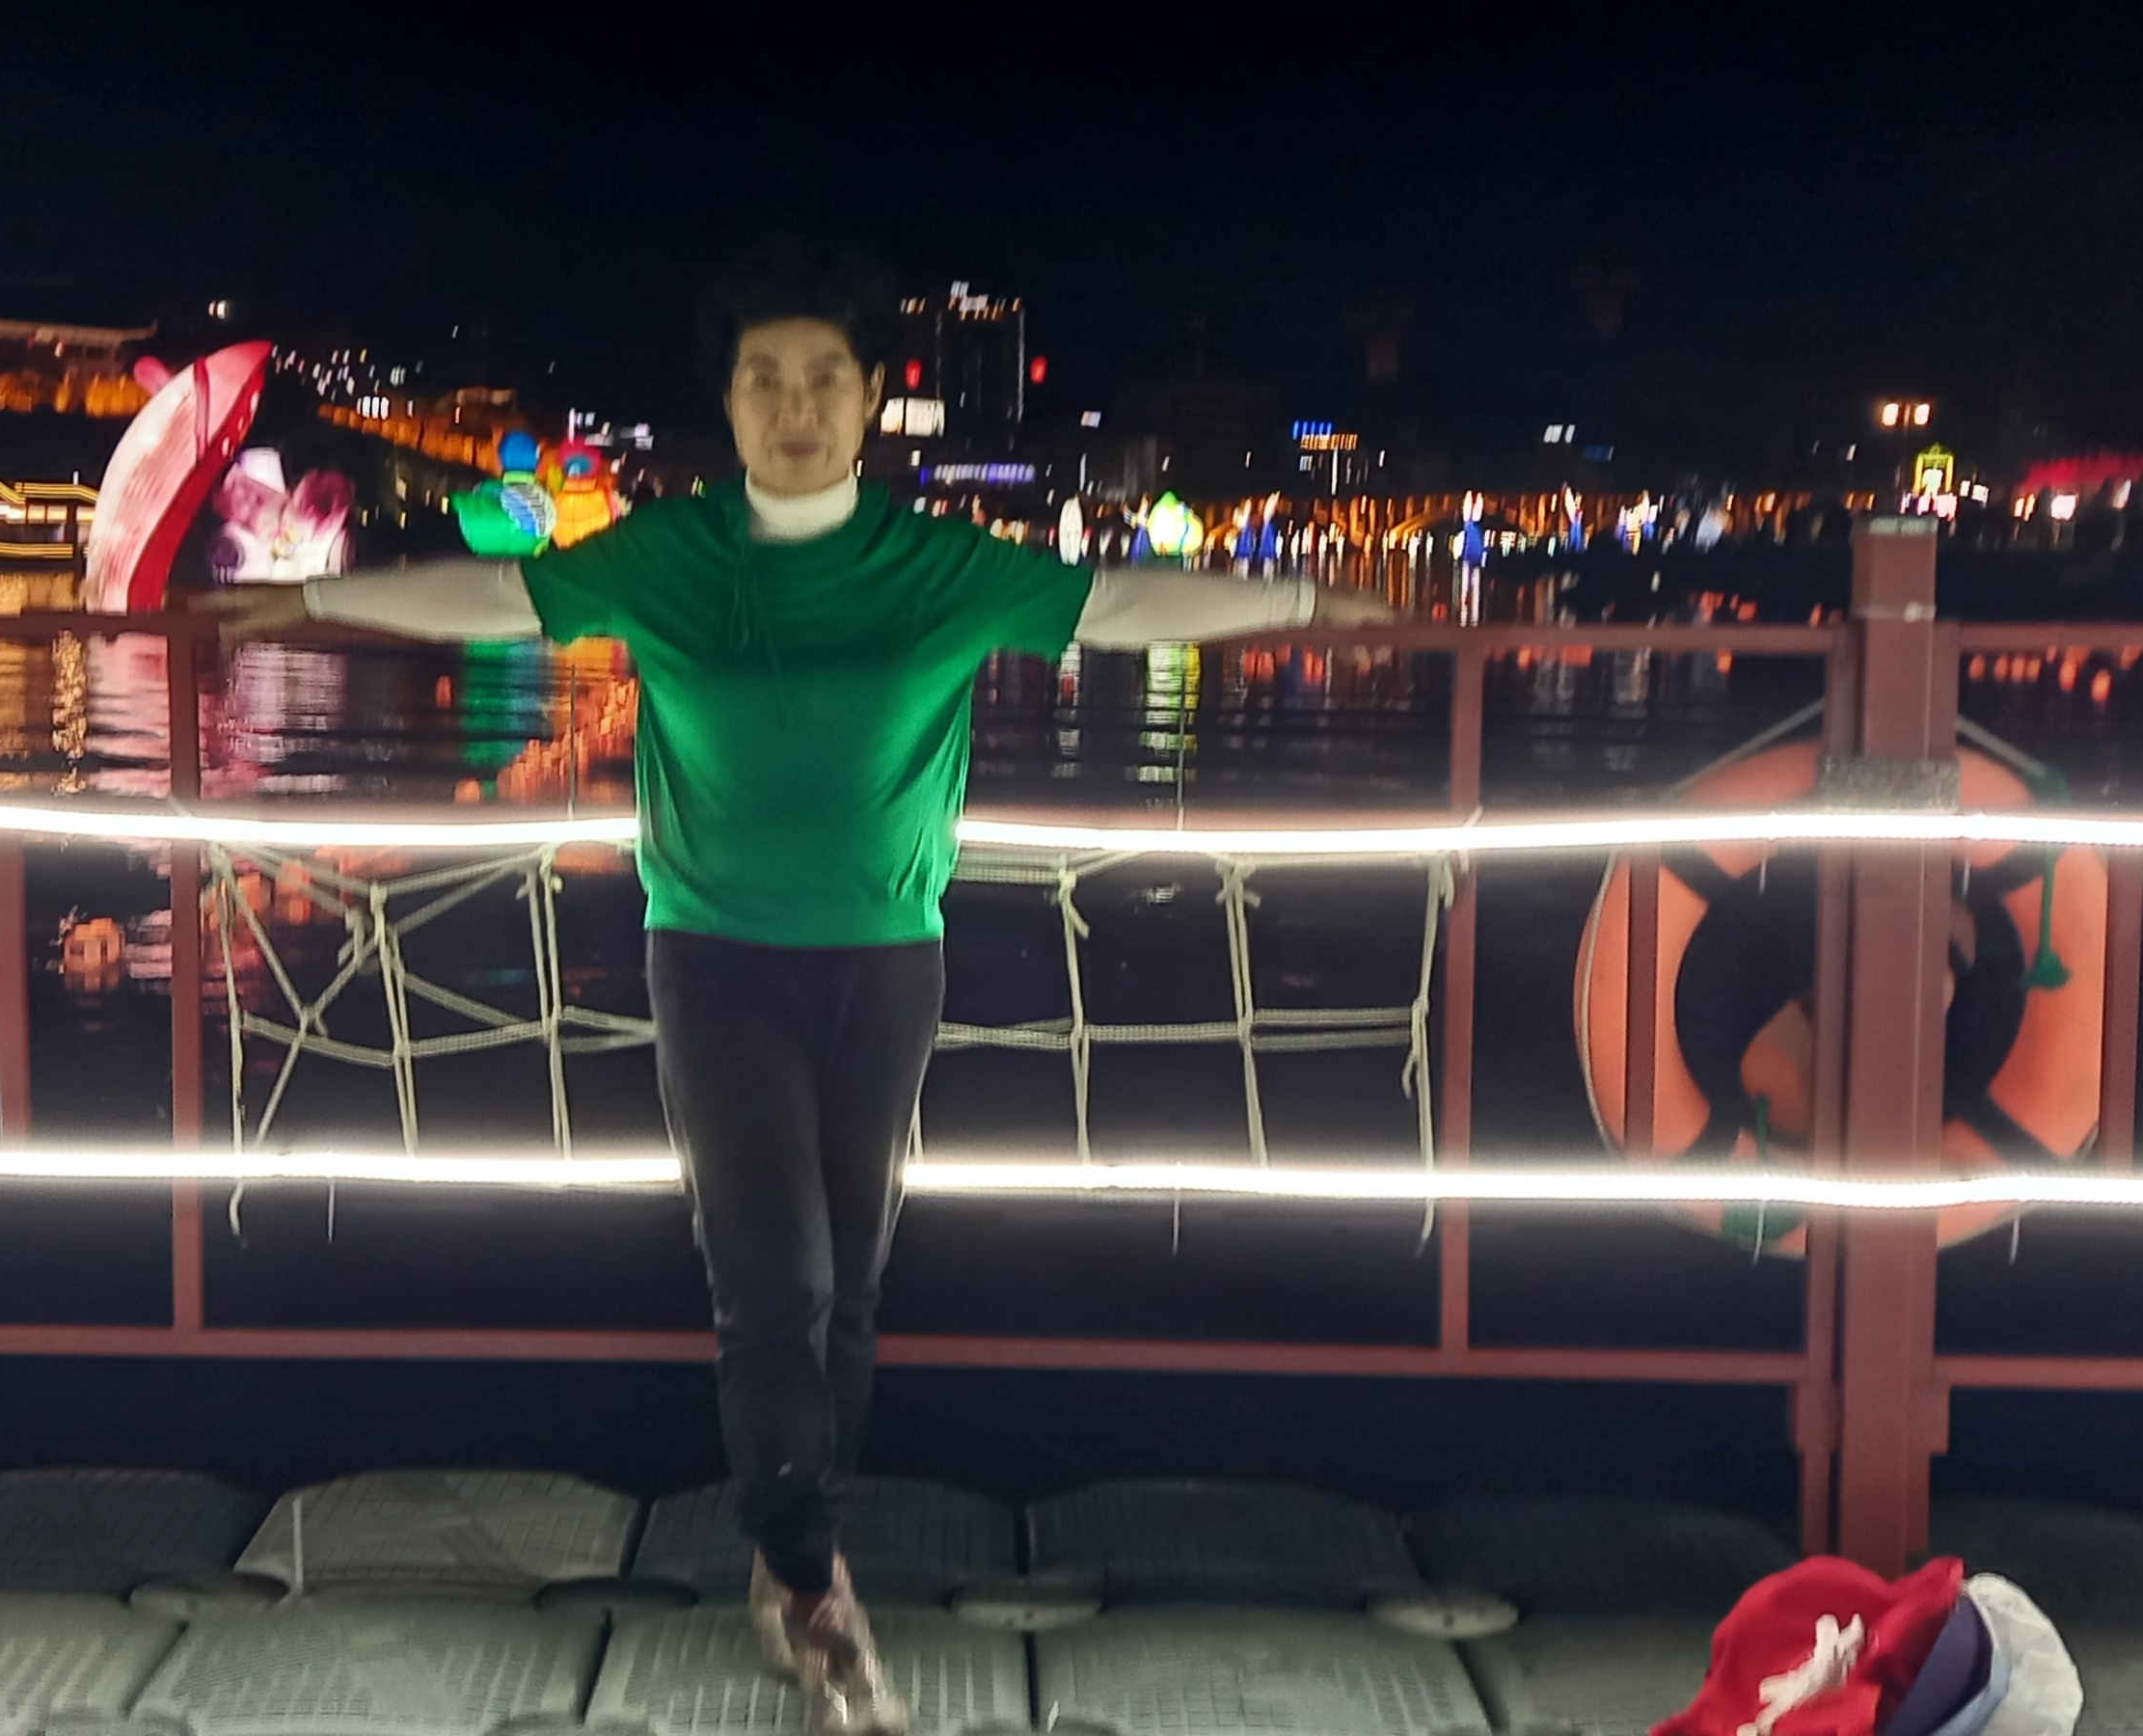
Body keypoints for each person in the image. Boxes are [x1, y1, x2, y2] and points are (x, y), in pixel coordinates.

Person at [203, 238, 1394, 1732]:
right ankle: (809, 1567)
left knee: (853, 1287)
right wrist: (313, 610)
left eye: (824, 377)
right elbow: (503, 596)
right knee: (778, 1278)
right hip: (714, 958)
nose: (795, 406)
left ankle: (795, 1553)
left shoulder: (935, 564)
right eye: (764, 378)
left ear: (871, 394)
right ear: (730, 399)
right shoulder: (673, 555)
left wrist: (1305, 609)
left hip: (888, 962)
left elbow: (1118, 610)